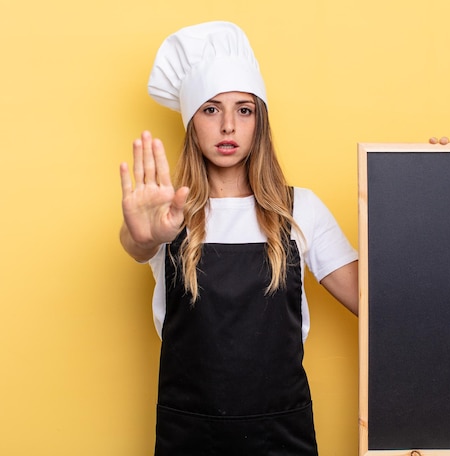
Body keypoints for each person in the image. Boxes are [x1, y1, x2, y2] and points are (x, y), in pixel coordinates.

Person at [119, 21, 358, 455]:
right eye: (211, 109)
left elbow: (381, 307)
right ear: (192, 121)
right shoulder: (168, 212)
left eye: (244, 109)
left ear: (258, 121)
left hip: (282, 437)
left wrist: (420, 190)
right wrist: (144, 235)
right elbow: (137, 244)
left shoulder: (299, 209)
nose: (228, 125)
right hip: (188, 437)